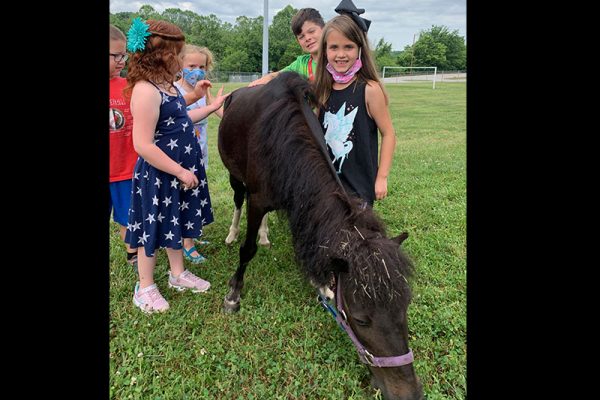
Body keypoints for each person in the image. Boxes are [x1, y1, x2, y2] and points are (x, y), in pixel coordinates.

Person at [123, 18, 216, 314]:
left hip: (179, 173)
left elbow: (179, 116)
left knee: (176, 221)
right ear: (158, 54)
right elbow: (143, 144)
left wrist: (201, 99)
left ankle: (178, 274)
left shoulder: (168, 87)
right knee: (152, 228)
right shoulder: (145, 90)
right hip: (160, 175)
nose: (181, 59)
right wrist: (178, 171)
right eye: (176, 52)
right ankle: (145, 286)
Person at [314, 7, 396, 208]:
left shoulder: (369, 89)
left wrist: (382, 177)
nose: (340, 54)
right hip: (327, 185)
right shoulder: (323, 89)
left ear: (359, 48)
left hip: (359, 188)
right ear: (325, 50)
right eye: (334, 47)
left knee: (357, 237)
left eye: (348, 47)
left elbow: (389, 134)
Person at [174, 45, 223, 264]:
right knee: (184, 195)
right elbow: (185, 117)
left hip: (198, 152)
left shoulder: (203, 89)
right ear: (179, 66)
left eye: (202, 66)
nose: (198, 71)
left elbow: (216, 110)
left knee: (195, 193)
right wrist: (210, 108)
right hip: (180, 155)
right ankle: (186, 244)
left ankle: (191, 234)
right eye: (191, 66)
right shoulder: (174, 90)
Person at [109, 25, 139, 268]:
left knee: (128, 217)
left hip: (126, 169)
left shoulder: (129, 85)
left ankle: (134, 255)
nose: (122, 61)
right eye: (115, 55)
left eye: (124, 55)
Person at [248, 8, 325, 87]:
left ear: (324, 29)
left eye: (311, 31)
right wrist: (267, 78)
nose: (307, 38)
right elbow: (278, 75)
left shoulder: (335, 59)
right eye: (301, 37)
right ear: (298, 41)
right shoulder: (301, 63)